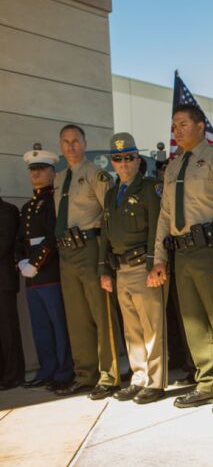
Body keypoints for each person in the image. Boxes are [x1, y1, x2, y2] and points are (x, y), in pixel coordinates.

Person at [148, 104, 213, 415]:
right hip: (182, 254)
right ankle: (206, 382)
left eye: (183, 123)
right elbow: (164, 216)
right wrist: (159, 258)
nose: (177, 130)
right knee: (193, 322)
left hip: (211, 251)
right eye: (174, 125)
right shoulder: (173, 167)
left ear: (201, 126)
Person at [98, 133, 167, 404]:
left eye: (128, 157)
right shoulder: (112, 194)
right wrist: (104, 270)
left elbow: (156, 229)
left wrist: (155, 264)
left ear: (138, 160)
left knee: (151, 327)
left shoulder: (150, 188)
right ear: (112, 163)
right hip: (121, 269)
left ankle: (156, 381)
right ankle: (138, 378)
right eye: (117, 159)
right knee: (132, 329)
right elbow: (105, 233)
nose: (123, 163)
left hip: (143, 266)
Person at [53, 124, 120, 399]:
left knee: (100, 313)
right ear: (60, 146)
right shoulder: (58, 178)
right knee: (77, 317)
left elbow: (110, 214)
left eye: (75, 141)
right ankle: (85, 375)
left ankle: (109, 374)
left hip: (90, 248)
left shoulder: (96, 174)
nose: (71, 146)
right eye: (66, 142)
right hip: (66, 252)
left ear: (84, 143)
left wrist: (106, 257)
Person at [16, 145, 74, 390]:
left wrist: (35, 264)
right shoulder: (28, 207)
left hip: (49, 272)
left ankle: (63, 371)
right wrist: (21, 262)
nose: (35, 175)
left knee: (58, 325)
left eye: (40, 170)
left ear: (52, 172)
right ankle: (46, 369)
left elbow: (53, 237)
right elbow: (19, 240)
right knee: (40, 327)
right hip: (31, 276)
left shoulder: (54, 201)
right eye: (32, 170)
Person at [154, 142, 195, 386]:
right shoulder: (164, 186)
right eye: (162, 168)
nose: (164, 171)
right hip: (172, 257)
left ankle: (196, 367)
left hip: (191, 253)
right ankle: (186, 363)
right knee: (180, 317)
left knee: (199, 317)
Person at [0, 196, 24, 390]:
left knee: (7, 330)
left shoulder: (7, 210)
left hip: (3, 281)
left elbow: (4, 243)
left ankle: (13, 375)